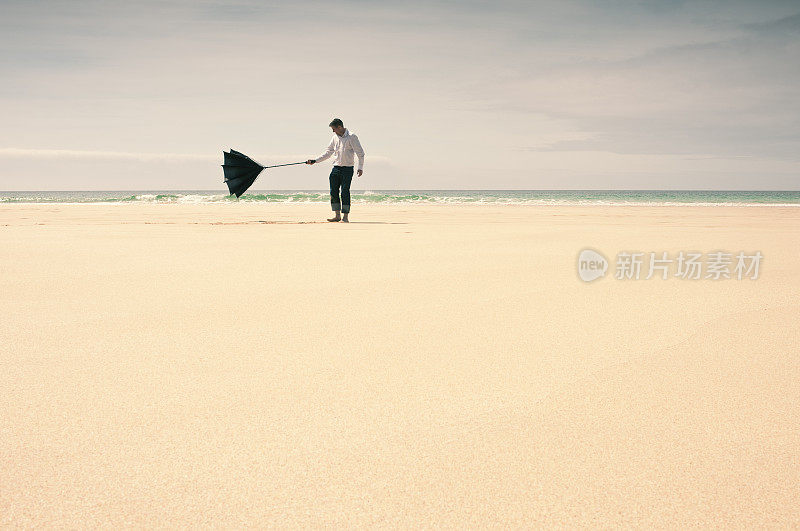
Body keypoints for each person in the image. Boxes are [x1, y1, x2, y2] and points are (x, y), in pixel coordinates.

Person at [306, 118, 364, 222]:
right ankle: (337, 216)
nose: (333, 131)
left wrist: (360, 168)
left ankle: (345, 217)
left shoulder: (352, 137)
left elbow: (361, 154)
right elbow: (328, 153)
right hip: (336, 168)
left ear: (340, 127)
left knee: (345, 192)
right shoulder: (334, 138)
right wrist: (315, 160)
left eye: (334, 129)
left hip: (347, 169)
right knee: (333, 191)